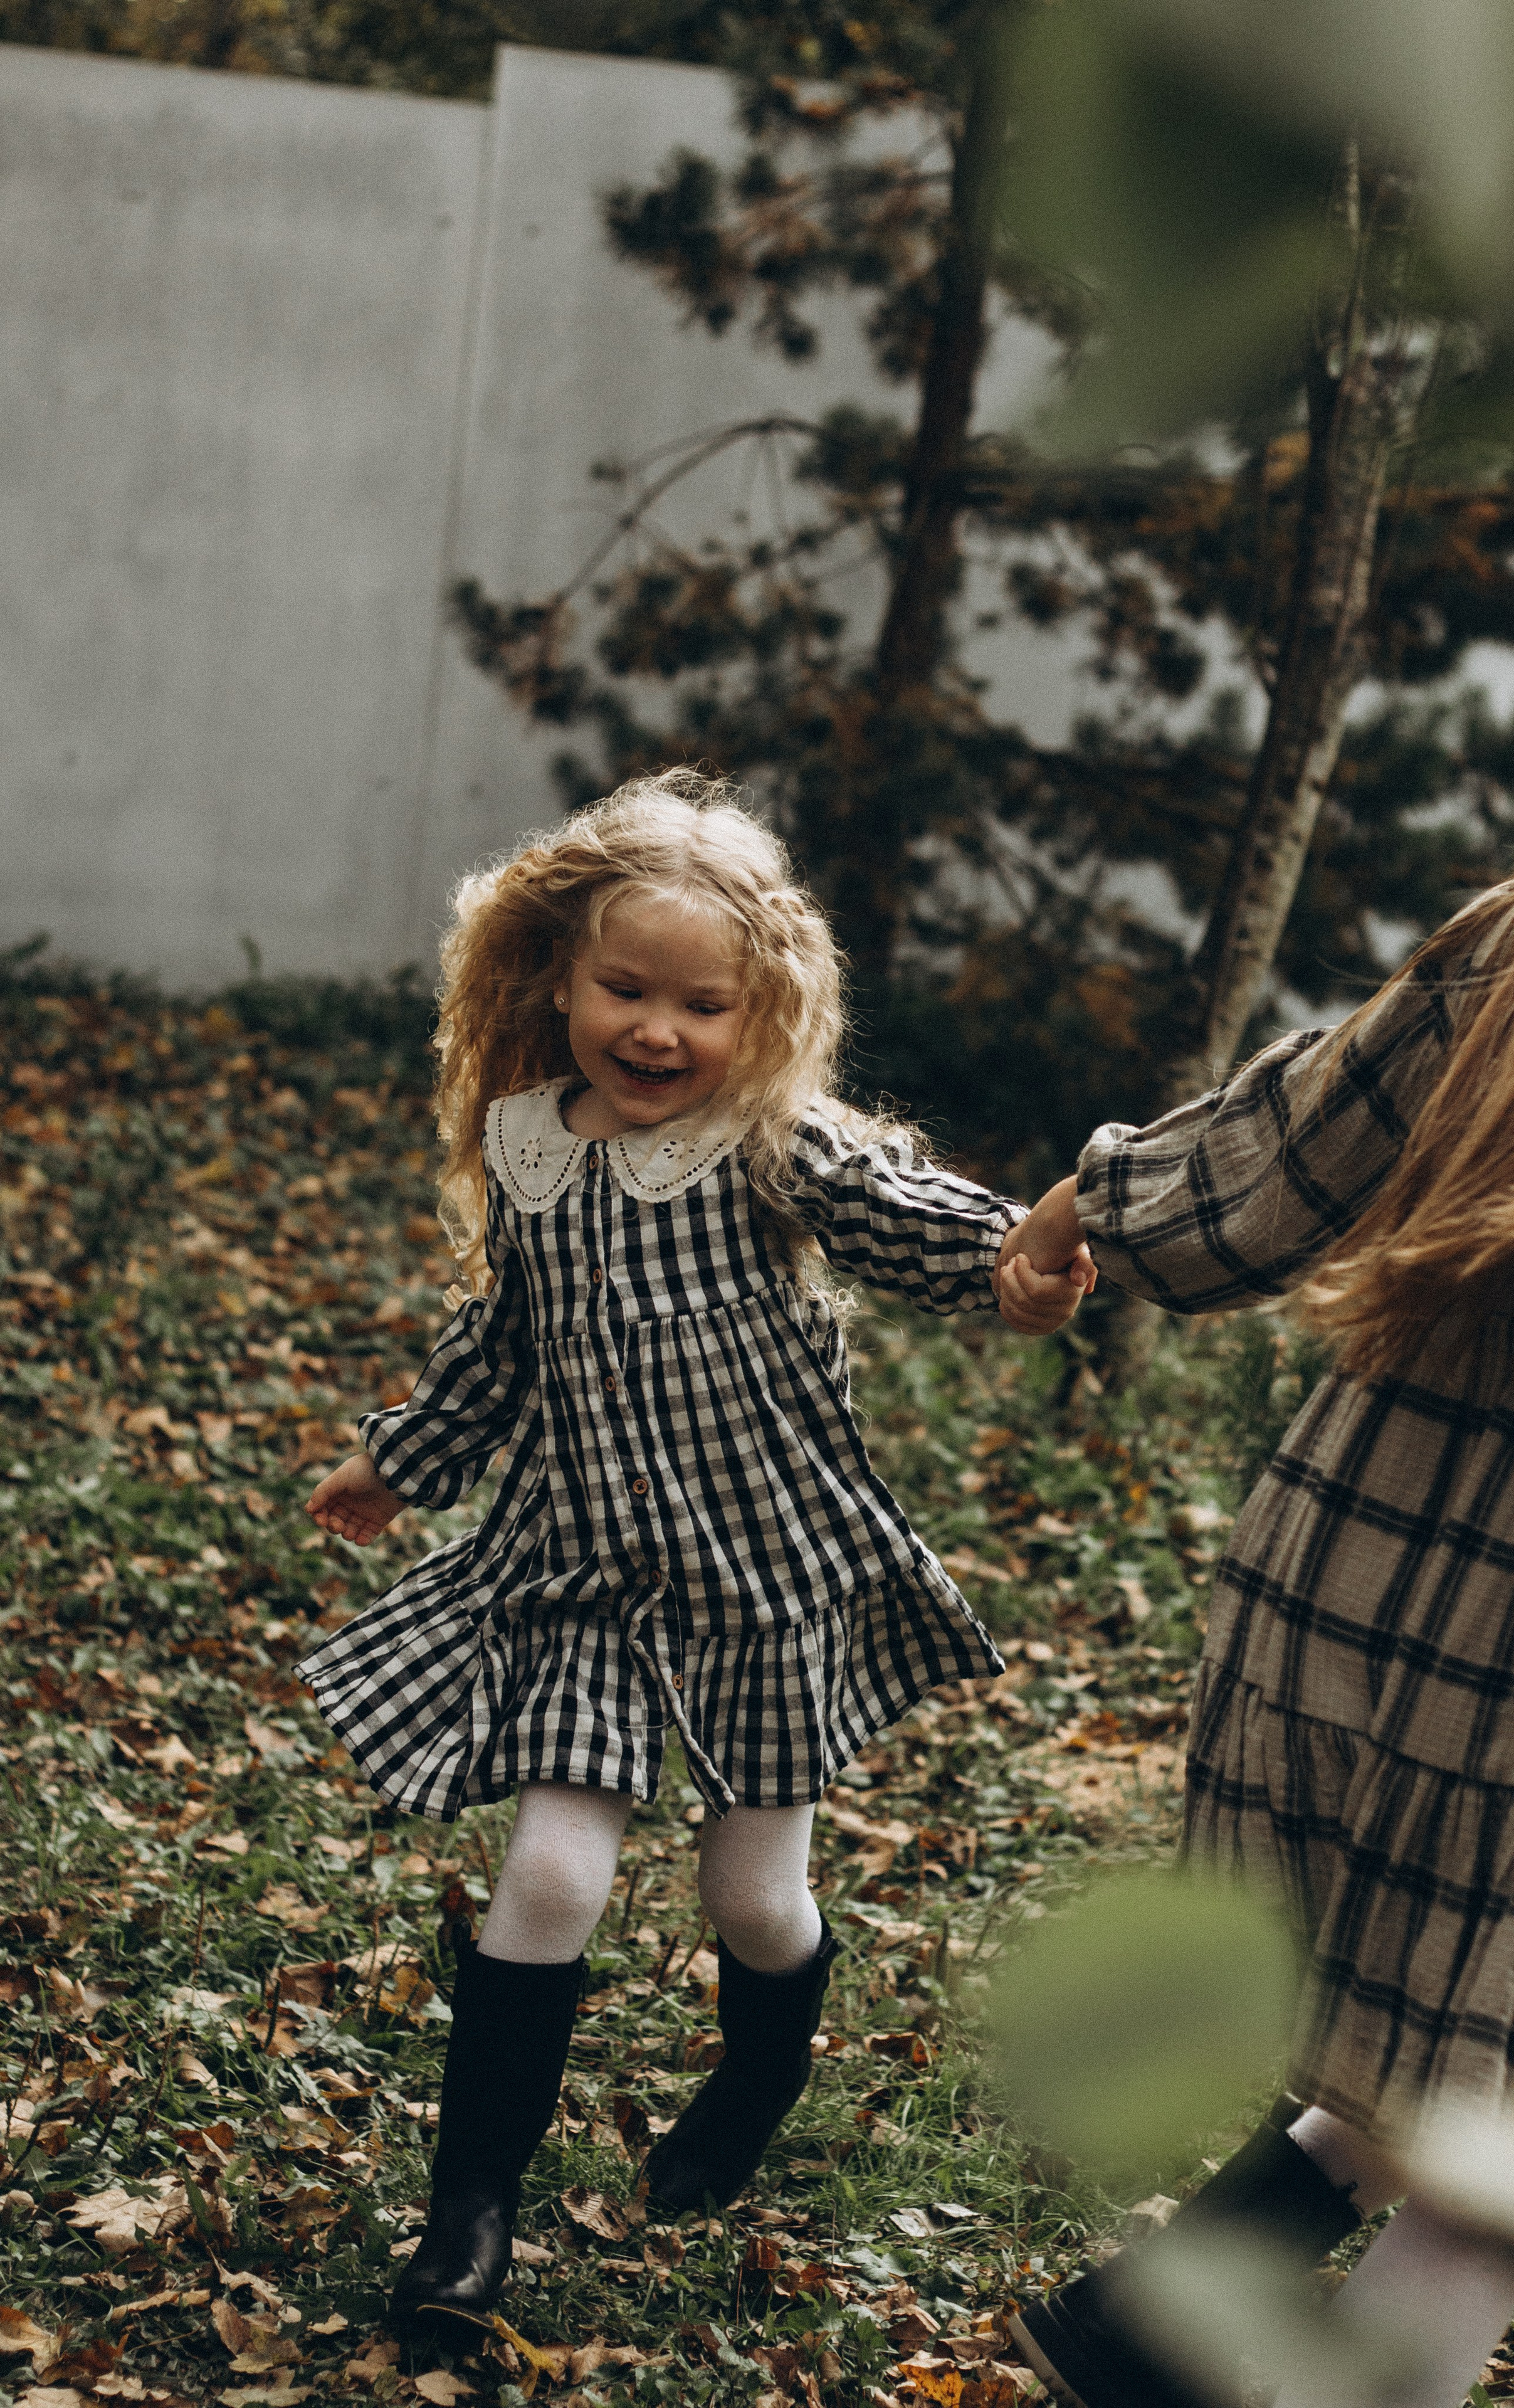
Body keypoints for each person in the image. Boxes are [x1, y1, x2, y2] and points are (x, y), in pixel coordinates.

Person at [296, 771, 1090, 2334]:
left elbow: (903, 1211)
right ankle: (468, 2224)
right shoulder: (532, 1147)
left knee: (752, 1901)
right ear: (559, 980)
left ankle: (757, 2075)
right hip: (580, 1573)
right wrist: (398, 1458)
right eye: (624, 990)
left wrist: (1011, 1264)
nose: (656, 1032)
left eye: (700, 1005)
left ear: (760, 1017)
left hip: (760, 1581)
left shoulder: (765, 1146)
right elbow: (505, 1347)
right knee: (544, 1870)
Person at [997, 651, 1514, 2408]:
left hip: (1348, 1605)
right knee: (1511, 2143)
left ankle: (1145, 2335)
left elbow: (1275, 1160)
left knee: (1451, 2042)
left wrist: (1085, 1202)